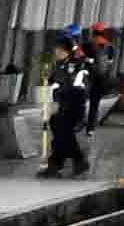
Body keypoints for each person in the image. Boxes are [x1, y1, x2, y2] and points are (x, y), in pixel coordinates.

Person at [40, 32, 98, 177]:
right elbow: (55, 81)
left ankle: (68, 162)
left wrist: (58, 101)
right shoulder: (62, 64)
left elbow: (74, 88)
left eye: (58, 49)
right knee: (60, 132)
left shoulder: (76, 66)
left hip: (72, 107)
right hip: (63, 105)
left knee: (63, 132)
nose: (56, 52)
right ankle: (61, 164)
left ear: (66, 51)